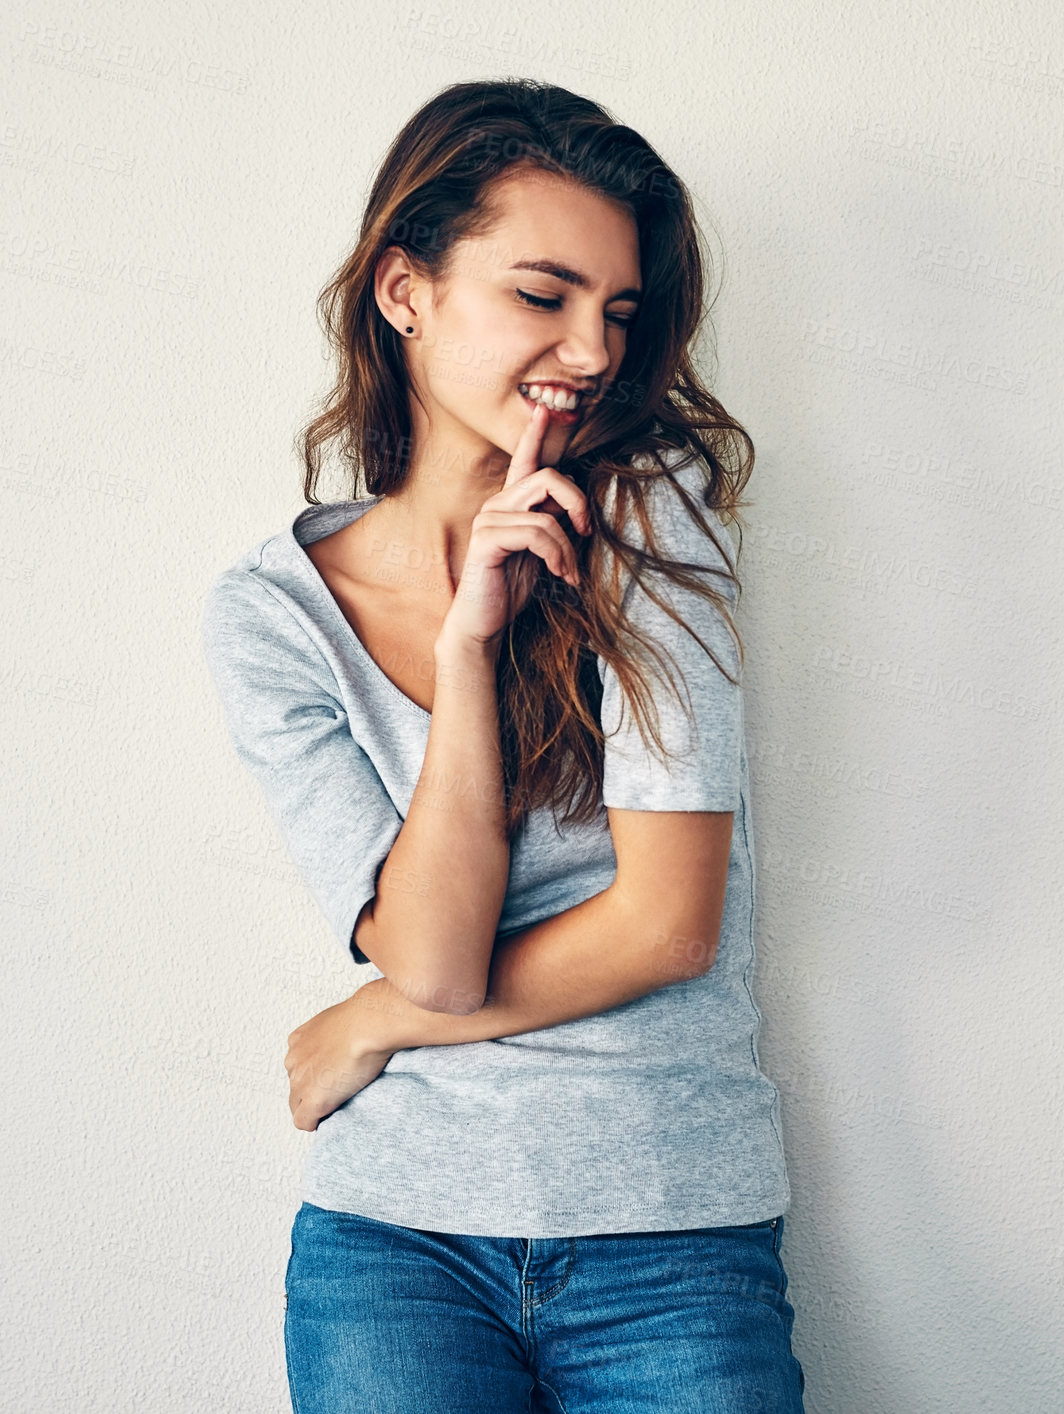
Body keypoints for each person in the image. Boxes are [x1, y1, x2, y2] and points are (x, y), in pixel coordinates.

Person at [199, 78, 806, 1412]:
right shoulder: (273, 615)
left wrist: (371, 1019)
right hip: (394, 1243)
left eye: (618, 310)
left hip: (665, 1232)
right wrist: (469, 654)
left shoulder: (653, 514)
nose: (589, 349)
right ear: (403, 291)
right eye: (543, 295)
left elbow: (666, 925)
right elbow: (432, 947)